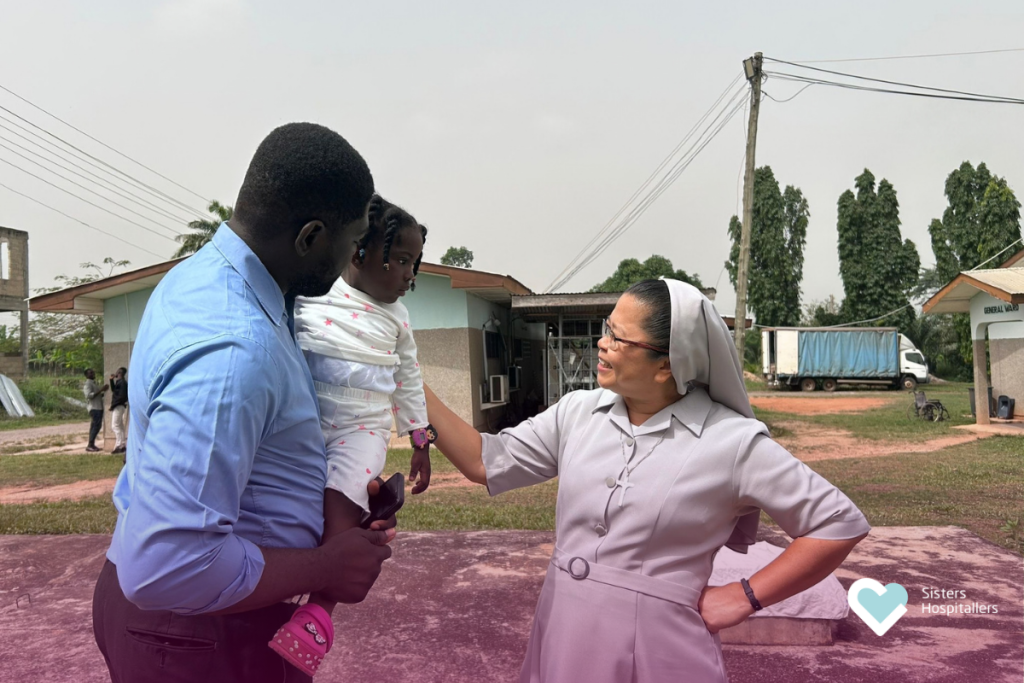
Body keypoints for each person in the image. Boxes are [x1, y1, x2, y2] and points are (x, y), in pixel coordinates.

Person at [425, 278, 871, 683]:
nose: (601, 344)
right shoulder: (578, 412)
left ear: (667, 364)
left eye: (618, 338)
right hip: (563, 631)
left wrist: (743, 596)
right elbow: (485, 462)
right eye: (607, 328)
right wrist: (408, 383)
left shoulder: (731, 442)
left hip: (661, 652)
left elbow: (836, 524)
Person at [92, 123, 396, 683]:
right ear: (310, 238)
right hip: (197, 638)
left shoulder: (211, 280)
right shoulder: (234, 351)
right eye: (351, 243)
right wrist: (330, 564)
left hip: (190, 629)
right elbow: (167, 567)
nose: (355, 259)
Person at [273, 195, 433, 674]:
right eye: (402, 260)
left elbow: (408, 378)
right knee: (288, 504)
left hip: (362, 426)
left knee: (343, 507)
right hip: (302, 413)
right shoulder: (315, 293)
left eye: (414, 264)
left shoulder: (399, 320)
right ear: (360, 253)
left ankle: (318, 612)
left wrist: (420, 440)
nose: (410, 274)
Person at [82, 368, 106, 453]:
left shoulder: (93, 383)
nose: (93, 374)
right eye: (90, 373)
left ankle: (91, 444)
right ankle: (90, 445)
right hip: (94, 408)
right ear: (87, 375)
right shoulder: (88, 384)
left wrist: (103, 393)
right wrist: (101, 390)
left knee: (95, 426)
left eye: (93, 372)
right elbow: (89, 395)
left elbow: (97, 395)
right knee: (96, 426)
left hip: (98, 407)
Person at [108, 367, 128, 454]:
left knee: (115, 426)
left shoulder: (122, 383)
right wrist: (111, 380)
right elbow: (114, 390)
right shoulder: (119, 382)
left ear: (119, 372)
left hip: (119, 406)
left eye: (117, 371)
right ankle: (122, 445)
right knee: (120, 426)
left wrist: (114, 404)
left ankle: (119, 445)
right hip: (119, 406)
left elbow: (122, 396)